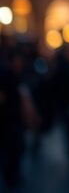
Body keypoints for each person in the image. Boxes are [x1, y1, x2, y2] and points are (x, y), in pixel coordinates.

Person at [0, 50, 25, 188]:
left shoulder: (15, 76)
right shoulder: (7, 77)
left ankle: (12, 175)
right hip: (8, 120)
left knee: (15, 148)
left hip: (14, 119)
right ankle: (10, 176)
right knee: (12, 149)